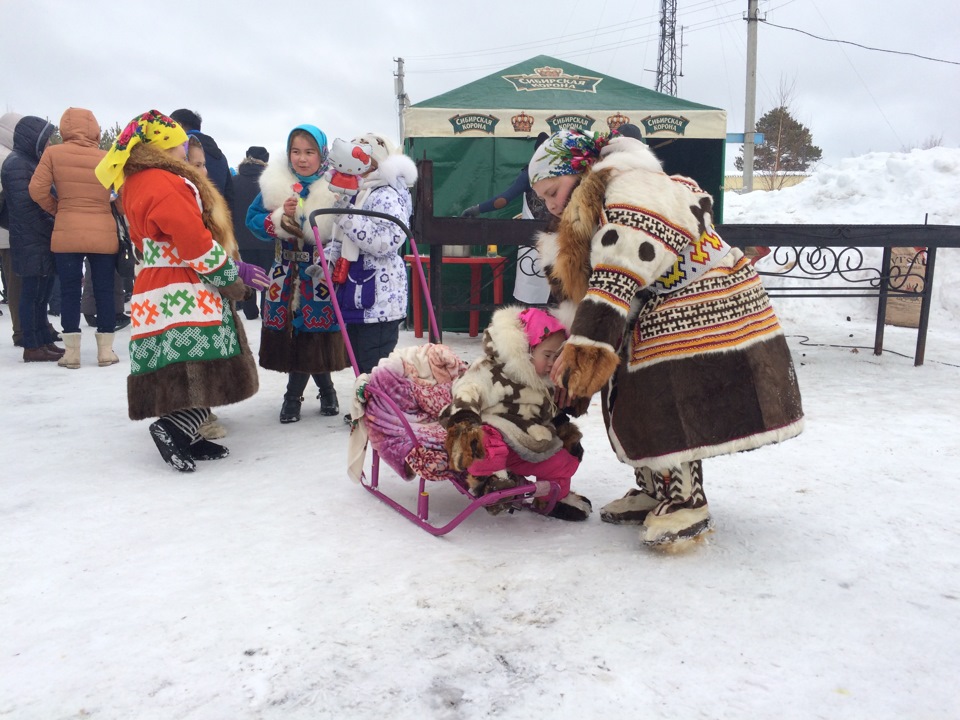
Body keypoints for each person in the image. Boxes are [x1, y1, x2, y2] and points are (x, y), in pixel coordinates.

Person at [528, 129, 805, 547]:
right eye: (543, 197)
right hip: (665, 301)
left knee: (665, 392)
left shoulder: (630, 188)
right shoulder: (602, 197)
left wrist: (587, 349)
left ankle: (685, 502)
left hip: (704, 301)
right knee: (632, 387)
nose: (550, 203)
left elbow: (618, 271)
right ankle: (653, 488)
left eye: (553, 189)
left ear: (579, 168)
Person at [94, 109, 268, 472]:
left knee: (178, 362)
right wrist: (229, 277)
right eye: (179, 145)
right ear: (163, 146)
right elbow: (194, 243)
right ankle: (174, 428)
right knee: (203, 361)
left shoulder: (136, 182)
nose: (183, 152)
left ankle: (189, 434)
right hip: (184, 284)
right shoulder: (167, 182)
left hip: (155, 284)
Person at [441, 306, 591, 521]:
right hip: (495, 436)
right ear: (525, 350)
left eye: (557, 357)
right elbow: (468, 390)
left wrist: (562, 422)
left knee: (563, 458)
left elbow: (549, 412)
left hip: (527, 442)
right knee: (487, 439)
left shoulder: (548, 381)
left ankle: (553, 498)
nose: (551, 363)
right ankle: (491, 482)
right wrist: (466, 421)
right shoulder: (493, 371)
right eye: (547, 355)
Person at [245, 124, 349, 424]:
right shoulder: (276, 184)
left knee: (314, 333)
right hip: (285, 273)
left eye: (309, 152)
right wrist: (280, 216)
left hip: (319, 274)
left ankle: (296, 396)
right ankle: (324, 391)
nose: (302, 159)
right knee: (295, 334)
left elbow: (346, 227)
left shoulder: (335, 186)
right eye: (296, 152)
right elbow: (253, 220)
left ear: (322, 154)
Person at [324, 132, 415, 423]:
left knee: (373, 360)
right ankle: (370, 409)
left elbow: (387, 241)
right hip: (358, 292)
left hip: (379, 298)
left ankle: (380, 413)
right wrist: (328, 257)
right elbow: (341, 235)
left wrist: (347, 215)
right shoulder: (361, 193)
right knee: (360, 359)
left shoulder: (387, 194)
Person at [28, 107, 120, 368]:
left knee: (70, 290)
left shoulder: (53, 153)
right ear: (95, 128)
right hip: (103, 231)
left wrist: (57, 208)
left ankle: (72, 354)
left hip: (67, 230)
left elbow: (36, 190)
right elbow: (122, 197)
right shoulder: (107, 157)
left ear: (65, 128)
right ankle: (105, 352)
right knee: (103, 289)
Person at [1, 115, 61, 362]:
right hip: (30, 238)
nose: (48, 145)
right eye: (45, 140)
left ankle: (42, 340)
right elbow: (27, 207)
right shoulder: (17, 164)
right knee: (31, 293)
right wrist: (53, 223)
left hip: (37, 237)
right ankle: (31, 345)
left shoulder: (28, 162)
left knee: (41, 294)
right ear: (31, 139)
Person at [230, 146, 271, 321]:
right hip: (266, 239)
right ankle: (265, 309)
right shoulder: (269, 182)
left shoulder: (233, 181)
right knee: (266, 276)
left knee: (247, 275)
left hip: (241, 238)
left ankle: (249, 311)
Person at [169, 109, 233, 206]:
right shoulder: (220, 157)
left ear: (179, 125)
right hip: (216, 215)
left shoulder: (180, 153)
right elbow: (229, 195)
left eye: (170, 126)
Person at [0, 112, 24, 348]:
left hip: (9, 231)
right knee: (17, 283)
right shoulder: (6, 156)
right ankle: (21, 330)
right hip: (9, 232)